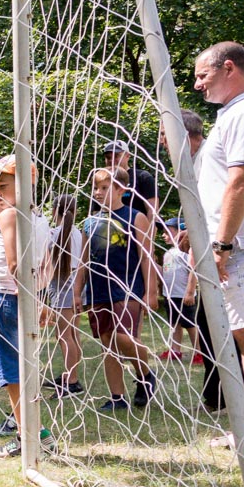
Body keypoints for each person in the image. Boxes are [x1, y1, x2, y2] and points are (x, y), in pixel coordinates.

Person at [0, 155, 56, 460]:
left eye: (4, 185)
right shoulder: (41, 220)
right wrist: (39, 299)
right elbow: (46, 266)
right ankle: (36, 433)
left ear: (27, 184)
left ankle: (30, 436)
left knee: (11, 373)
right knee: (24, 368)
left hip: (2, 299)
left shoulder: (9, 215)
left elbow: (14, 264)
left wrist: (31, 298)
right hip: (25, 298)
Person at [73, 167, 158, 411]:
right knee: (108, 343)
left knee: (125, 338)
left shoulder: (135, 217)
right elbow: (84, 261)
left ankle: (145, 375)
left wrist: (151, 292)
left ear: (121, 189)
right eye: (95, 188)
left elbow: (146, 257)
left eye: (104, 187)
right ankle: (117, 398)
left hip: (128, 288)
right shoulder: (90, 222)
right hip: (99, 290)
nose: (98, 193)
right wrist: (77, 292)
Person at [191, 41, 244, 417]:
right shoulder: (230, 113)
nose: (197, 84)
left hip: (237, 248)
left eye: (202, 75)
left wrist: (222, 245)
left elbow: (239, 182)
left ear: (229, 68)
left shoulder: (241, 112)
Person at [40, 194, 84, 397]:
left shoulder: (52, 233)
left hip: (63, 284)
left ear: (55, 211)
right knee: (72, 334)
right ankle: (70, 375)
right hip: (76, 284)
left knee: (64, 336)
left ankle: (72, 382)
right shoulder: (79, 233)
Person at [159, 221, 199, 362]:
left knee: (190, 325)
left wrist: (190, 292)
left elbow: (193, 272)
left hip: (184, 296)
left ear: (180, 231)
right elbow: (165, 272)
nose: (163, 235)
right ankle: (175, 351)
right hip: (170, 296)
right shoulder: (168, 253)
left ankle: (199, 353)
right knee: (174, 324)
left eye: (167, 231)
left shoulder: (187, 253)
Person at [103, 140, 159, 230]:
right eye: (108, 157)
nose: (111, 160)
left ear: (127, 156)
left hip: (137, 232)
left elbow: (152, 211)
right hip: (108, 232)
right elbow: (96, 210)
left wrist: (149, 235)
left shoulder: (142, 177)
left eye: (116, 156)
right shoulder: (102, 180)